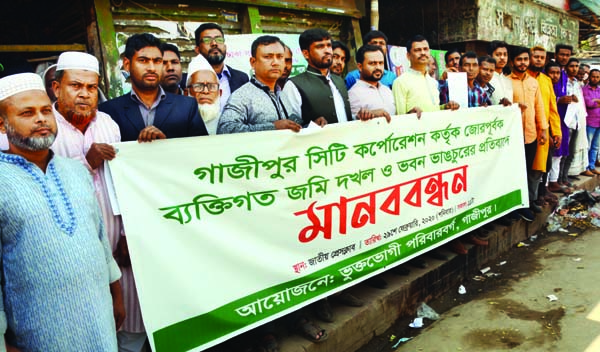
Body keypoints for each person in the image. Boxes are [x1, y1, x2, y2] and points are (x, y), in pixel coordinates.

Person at [0, 72, 122, 351]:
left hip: (99, 318)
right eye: (27, 113)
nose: (41, 119)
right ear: (2, 124)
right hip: (37, 333)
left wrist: (116, 294)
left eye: (45, 110)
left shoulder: (75, 170)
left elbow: (100, 239)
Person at [99, 33, 208, 142]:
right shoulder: (109, 111)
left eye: (157, 61)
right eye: (143, 60)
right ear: (127, 65)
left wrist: (167, 144)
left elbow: (201, 151)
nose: (152, 68)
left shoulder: (187, 107)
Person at [217, 35, 302, 134]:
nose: (275, 62)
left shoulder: (281, 93)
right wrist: (272, 127)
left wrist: (311, 127)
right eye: (268, 57)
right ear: (253, 62)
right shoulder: (242, 96)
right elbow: (225, 129)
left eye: (280, 57)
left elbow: (292, 125)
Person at [281, 28, 352, 127]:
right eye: (320, 47)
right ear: (306, 53)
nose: (327, 51)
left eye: (329, 45)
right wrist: (311, 126)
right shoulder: (293, 85)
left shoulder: (339, 81)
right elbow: (290, 125)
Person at [509, 46, 548, 220]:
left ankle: (527, 203)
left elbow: (539, 107)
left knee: (527, 171)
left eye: (525, 59)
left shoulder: (533, 82)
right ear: (512, 62)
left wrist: (544, 130)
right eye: (519, 59)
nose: (523, 63)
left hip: (531, 135)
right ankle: (514, 207)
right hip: (512, 137)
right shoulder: (505, 82)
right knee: (513, 173)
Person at [527, 46, 562, 207]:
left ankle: (540, 194)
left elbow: (553, 109)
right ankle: (530, 200)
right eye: (536, 56)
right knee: (531, 169)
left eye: (542, 57)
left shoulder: (546, 80)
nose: (539, 60)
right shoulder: (523, 78)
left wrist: (557, 132)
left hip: (545, 132)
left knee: (544, 166)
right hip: (528, 132)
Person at [392, 35, 459, 117]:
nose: (423, 53)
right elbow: (399, 119)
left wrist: (445, 107)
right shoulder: (400, 82)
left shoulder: (433, 82)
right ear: (408, 56)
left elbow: (434, 110)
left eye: (426, 49)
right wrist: (410, 114)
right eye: (417, 50)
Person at [194, 23, 249, 111]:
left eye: (219, 39)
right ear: (197, 49)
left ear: (225, 46)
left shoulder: (242, 78)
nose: (214, 43)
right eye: (207, 40)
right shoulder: (187, 81)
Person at [348, 44, 394, 119]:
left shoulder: (387, 90)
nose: (378, 67)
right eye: (372, 63)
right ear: (360, 67)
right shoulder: (353, 94)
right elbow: (351, 124)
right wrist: (363, 115)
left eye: (381, 63)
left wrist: (410, 115)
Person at [564, 58, 588, 178]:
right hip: (567, 121)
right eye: (572, 66)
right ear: (566, 67)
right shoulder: (563, 82)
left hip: (577, 122)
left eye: (576, 66)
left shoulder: (577, 83)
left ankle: (565, 177)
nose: (574, 69)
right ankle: (559, 179)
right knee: (563, 153)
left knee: (571, 152)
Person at [186, 56, 222, 135]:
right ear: (186, 93)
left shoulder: (228, 124)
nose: (205, 91)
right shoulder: (177, 125)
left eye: (212, 86)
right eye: (198, 86)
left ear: (220, 93)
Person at [583, 69, 600, 176]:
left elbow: (593, 102)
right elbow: (589, 103)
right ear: (589, 77)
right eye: (593, 76)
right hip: (590, 121)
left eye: (597, 77)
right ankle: (585, 167)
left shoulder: (599, 90)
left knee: (595, 146)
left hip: (599, 122)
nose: (595, 79)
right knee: (587, 146)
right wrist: (597, 102)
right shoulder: (584, 89)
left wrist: (596, 101)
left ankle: (592, 166)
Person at [487, 40, 513, 106]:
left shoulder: (508, 81)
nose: (502, 57)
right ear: (489, 56)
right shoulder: (485, 80)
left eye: (505, 54)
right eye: (498, 55)